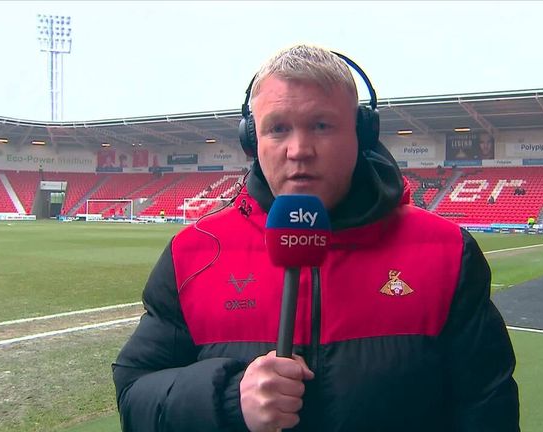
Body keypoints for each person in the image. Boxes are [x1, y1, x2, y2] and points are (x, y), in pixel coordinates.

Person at [112, 44, 519, 432]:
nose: (299, 150)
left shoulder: (447, 252)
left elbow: (487, 409)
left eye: (322, 126)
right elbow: (134, 394)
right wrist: (227, 399)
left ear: (362, 133)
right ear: (252, 140)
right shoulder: (195, 253)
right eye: (278, 129)